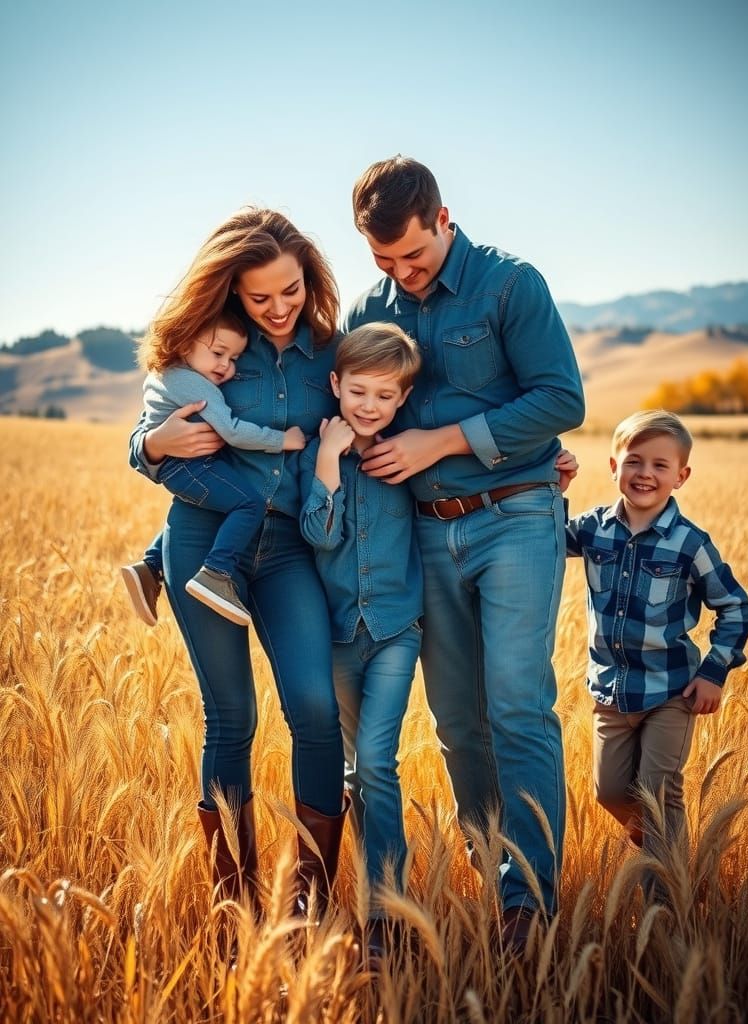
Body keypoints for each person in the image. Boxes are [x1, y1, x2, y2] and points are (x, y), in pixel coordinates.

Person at [344, 155, 586, 949]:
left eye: (413, 255)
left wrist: (439, 442)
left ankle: (529, 904)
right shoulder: (369, 308)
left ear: (443, 220)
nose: (402, 275)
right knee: (455, 721)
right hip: (421, 534)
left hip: (514, 515)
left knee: (517, 702)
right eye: (383, 261)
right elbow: (341, 412)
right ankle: (495, 868)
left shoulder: (512, 286)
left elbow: (561, 398)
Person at [128, 207, 347, 917]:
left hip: (288, 550)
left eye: (291, 290)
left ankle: (305, 910)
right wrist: (156, 446)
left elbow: (390, 410)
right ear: (233, 291)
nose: (279, 308)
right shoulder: (212, 345)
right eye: (260, 297)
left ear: (308, 280)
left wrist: (534, 462)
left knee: (314, 707)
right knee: (231, 715)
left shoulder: (331, 351)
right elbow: (146, 434)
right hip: (202, 538)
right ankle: (234, 910)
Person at [561, 410, 748, 879]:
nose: (645, 473)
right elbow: (542, 540)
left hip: (671, 692)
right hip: (610, 692)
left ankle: (666, 895)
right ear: (614, 466)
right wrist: (556, 492)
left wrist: (712, 673)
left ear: (681, 477)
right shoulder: (593, 529)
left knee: (657, 792)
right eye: (634, 461)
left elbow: (736, 608)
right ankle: (664, 852)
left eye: (660, 465)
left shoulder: (691, 544)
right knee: (608, 793)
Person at [298, 323, 422, 955]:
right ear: (336, 386)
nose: (369, 406)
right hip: (341, 636)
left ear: (401, 400)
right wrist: (326, 461)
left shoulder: (407, 455)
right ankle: (374, 898)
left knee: (376, 761)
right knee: (357, 770)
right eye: (358, 391)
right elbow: (318, 536)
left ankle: (388, 915)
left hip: (398, 631)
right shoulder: (319, 458)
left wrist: (555, 469)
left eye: (384, 395)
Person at [121, 310, 307, 628]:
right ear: (184, 345)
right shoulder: (194, 384)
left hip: (182, 467)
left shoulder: (164, 374)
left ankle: (151, 565)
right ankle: (217, 573)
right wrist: (283, 440)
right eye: (218, 353)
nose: (226, 365)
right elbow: (232, 430)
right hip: (189, 465)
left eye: (233, 357)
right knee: (249, 503)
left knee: (219, 501)